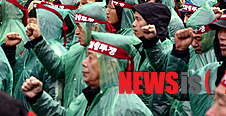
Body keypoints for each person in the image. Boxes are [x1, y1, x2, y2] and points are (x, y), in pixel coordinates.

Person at [22, 32, 153, 115]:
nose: (84, 63)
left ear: (110, 66)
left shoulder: (127, 108)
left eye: (90, 57)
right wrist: (38, 98)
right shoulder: (87, 97)